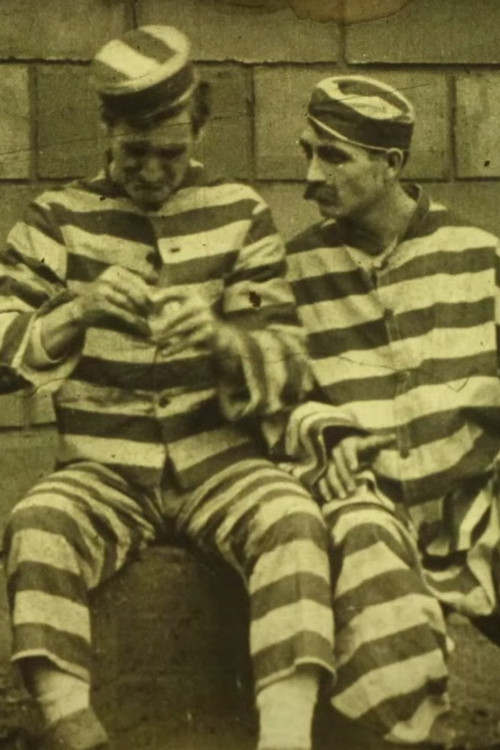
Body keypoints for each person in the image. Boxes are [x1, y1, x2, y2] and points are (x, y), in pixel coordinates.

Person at [0, 26, 335, 750]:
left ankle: (286, 735)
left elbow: (287, 363)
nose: (152, 171)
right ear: (106, 131)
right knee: (37, 523)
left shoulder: (241, 213)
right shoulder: (56, 218)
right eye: (134, 153)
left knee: (293, 520)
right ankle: (73, 726)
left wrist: (220, 339)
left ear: (199, 133)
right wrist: (76, 311)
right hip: (104, 471)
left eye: (171, 154)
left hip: (221, 466)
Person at [281, 74, 500, 748]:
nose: (310, 176)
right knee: (368, 570)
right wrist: (322, 431)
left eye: (334, 157)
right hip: (367, 501)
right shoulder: (294, 271)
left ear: (391, 164)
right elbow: (274, 399)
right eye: (307, 152)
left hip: (472, 501)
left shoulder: (478, 256)